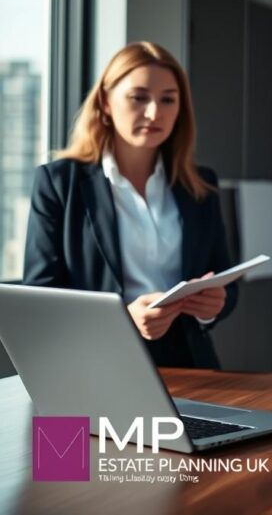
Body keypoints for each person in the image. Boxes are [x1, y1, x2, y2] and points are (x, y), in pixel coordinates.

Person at [23, 41, 237, 369]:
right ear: (105, 102)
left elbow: (226, 281)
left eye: (168, 99)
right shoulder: (58, 182)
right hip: (89, 367)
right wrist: (124, 320)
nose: (154, 112)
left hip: (189, 367)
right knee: (55, 425)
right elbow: (41, 301)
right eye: (138, 98)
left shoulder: (200, 185)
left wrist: (213, 307)